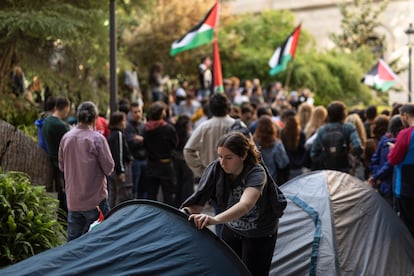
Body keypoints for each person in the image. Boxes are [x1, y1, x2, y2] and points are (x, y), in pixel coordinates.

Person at [180, 132, 286, 276]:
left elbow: (246, 204)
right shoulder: (216, 169)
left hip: (260, 232)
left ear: (242, 156)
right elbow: (198, 202)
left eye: (229, 157)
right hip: (232, 228)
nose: (222, 162)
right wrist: (183, 214)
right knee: (226, 269)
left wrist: (215, 219)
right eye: (220, 156)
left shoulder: (257, 172)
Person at [58, 101, 114, 241]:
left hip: (73, 200)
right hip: (95, 201)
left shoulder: (66, 137)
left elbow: (61, 166)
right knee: (101, 239)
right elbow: (109, 168)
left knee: (73, 241)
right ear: (95, 118)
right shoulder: (97, 139)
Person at [311, 101, 363, 172]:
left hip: (327, 171)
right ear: (344, 114)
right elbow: (358, 147)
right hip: (345, 170)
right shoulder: (349, 128)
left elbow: (313, 154)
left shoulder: (322, 130)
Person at [143, 101, 178, 205]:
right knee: (168, 195)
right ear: (162, 113)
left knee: (151, 195)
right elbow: (174, 144)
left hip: (151, 164)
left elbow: (144, 144)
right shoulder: (168, 129)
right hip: (165, 165)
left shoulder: (146, 129)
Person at [387, 104, 414, 237]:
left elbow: (393, 159)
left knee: (407, 225)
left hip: (406, 186)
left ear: (405, 116)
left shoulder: (405, 134)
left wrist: (393, 149)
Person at [42, 97, 71, 213]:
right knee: (65, 191)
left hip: (52, 159)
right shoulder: (61, 126)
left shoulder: (47, 121)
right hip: (63, 163)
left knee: (60, 190)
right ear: (66, 108)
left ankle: (61, 215)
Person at [369, 115, 403, 206]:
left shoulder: (383, 140)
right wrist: (378, 177)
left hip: (383, 185)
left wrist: (377, 176)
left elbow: (374, 160)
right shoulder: (402, 143)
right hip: (393, 186)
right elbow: (390, 164)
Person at [253, 115, 290, 185]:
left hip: (256, 181)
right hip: (273, 181)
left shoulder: (253, 143)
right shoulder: (277, 145)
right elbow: (283, 163)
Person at [107, 111, 133, 208]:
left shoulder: (112, 134)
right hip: (118, 170)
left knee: (113, 195)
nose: (125, 123)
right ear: (119, 122)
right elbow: (119, 153)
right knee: (121, 196)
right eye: (124, 120)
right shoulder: (118, 134)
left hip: (112, 170)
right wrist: (121, 171)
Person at [124, 102, 147, 198]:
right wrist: (141, 140)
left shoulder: (143, 125)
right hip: (134, 160)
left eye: (139, 111)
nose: (137, 114)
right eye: (135, 112)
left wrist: (139, 139)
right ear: (130, 113)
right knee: (134, 189)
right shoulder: (127, 126)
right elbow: (130, 143)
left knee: (144, 188)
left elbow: (148, 141)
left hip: (145, 160)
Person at [173, 114, 195, 207]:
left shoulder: (174, 133)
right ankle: (187, 205)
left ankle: (177, 204)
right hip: (186, 161)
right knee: (188, 185)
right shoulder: (189, 135)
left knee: (178, 184)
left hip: (175, 160)